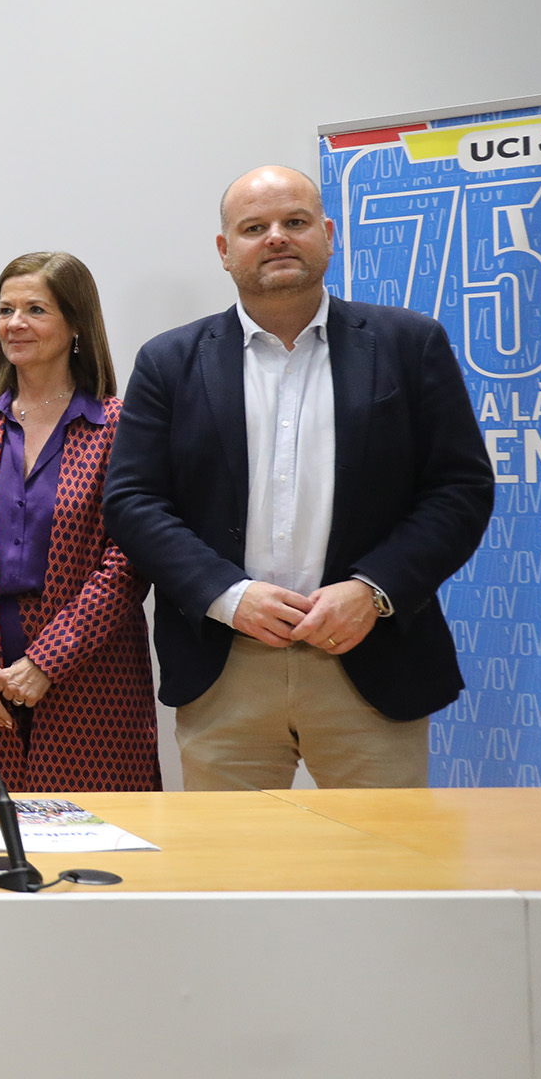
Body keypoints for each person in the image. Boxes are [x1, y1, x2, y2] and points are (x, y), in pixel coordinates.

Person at [104, 166, 494, 789]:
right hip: (225, 666)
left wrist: (373, 589)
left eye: (295, 221)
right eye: (254, 228)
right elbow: (133, 501)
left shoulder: (409, 343)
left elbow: (459, 490)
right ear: (224, 250)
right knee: (229, 853)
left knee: (385, 852)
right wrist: (227, 595)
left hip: (370, 658)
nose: (277, 238)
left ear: (328, 235)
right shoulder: (168, 361)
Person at [0, 252, 158, 792]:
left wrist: (48, 661)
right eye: (6, 310)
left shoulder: (118, 425)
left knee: (90, 833)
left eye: (36, 309)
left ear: (76, 325)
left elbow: (129, 559)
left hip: (91, 680)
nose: (15, 324)